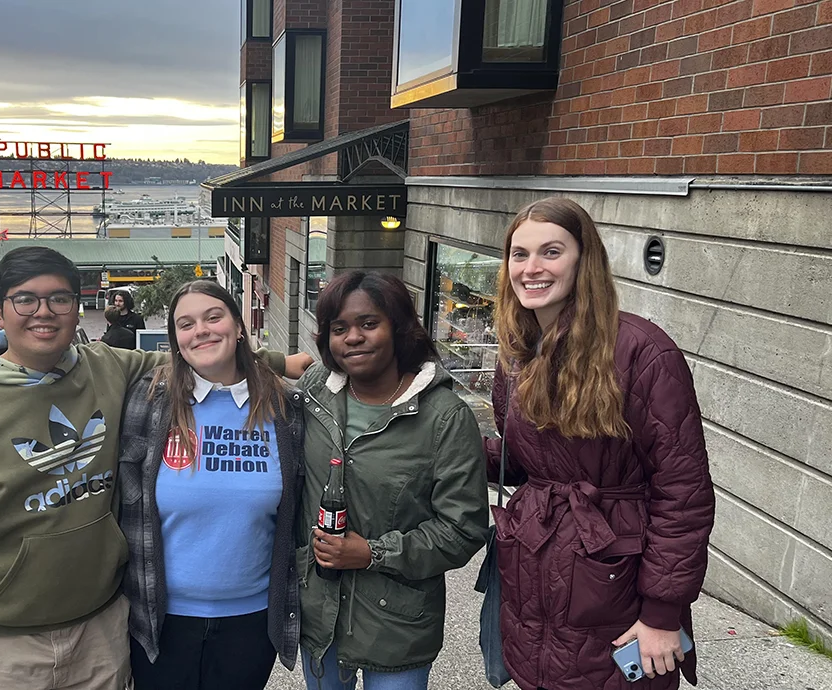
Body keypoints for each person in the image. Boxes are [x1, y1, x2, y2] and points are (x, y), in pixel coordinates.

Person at [0, 246, 311, 690]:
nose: (44, 312)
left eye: (60, 299)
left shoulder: (108, 369)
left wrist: (281, 363)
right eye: (25, 299)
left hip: (101, 630)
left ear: (78, 310)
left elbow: (201, 353)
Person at [485, 197, 715, 690]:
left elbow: (683, 493)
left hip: (615, 582)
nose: (531, 268)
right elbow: (526, 460)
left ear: (583, 258)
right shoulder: (517, 354)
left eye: (551, 252)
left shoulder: (642, 351)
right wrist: (441, 448)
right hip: (536, 579)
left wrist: (661, 614)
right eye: (519, 254)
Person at [295, 270, 489, 690]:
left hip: (397, 623)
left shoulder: (445, 418)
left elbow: (463, 529)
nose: (353, 338)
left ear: (399, 328)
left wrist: (373, 553)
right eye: (339, 328)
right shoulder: (315, 391)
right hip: (320, 614)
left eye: (368, 324)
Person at [118, 281, 303, 689]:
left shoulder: (284, 408)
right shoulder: (148, 401)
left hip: (251, 621)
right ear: (176, 341)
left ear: (239, 326)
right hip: (160, 619)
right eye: (186, 324)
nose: (200, 330)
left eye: (213, 317)